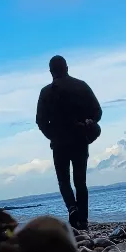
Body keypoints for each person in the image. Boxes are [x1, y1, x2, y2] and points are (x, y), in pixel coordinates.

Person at [36, 55, 102, 230]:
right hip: (80, 139)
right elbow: (97, 111)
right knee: (80, 181)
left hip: (59, 143)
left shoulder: (45, 92)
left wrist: (52, 135)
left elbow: (40, 121)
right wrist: (89, 122)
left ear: (51, 72)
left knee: (64, 181)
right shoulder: (81, 86)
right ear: (67, 67)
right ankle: (84, 220)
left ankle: (72, 209)